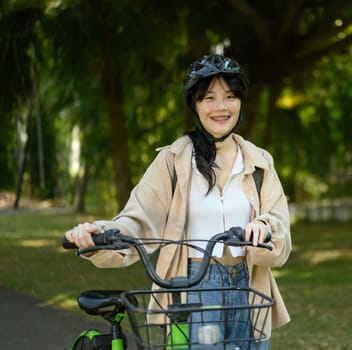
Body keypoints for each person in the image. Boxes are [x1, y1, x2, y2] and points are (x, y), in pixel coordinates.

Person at [65, 53, 292, 349]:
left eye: (231, 96)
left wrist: (264, 225)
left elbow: (279, 225)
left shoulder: (260, 162)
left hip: (250, 288)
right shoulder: (172, 161)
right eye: (209, 97)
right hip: (193, 290)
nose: (221, 107)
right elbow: (137, 219)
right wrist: (98, 233)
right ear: (195, 104)